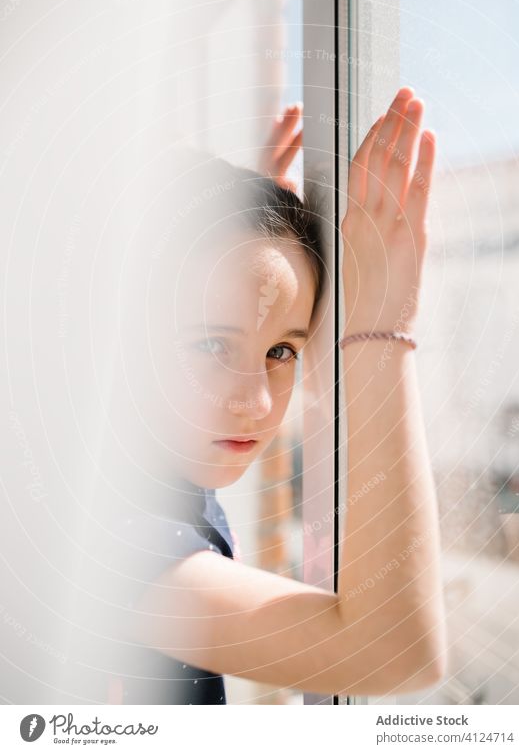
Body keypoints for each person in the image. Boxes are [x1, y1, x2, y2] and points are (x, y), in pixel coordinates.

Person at [107, 87, 447, 703]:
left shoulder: (144, 468)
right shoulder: (112, 537)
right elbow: (392, 650)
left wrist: (241, 240)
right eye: (210, 346)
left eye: (281, 351)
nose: (257, 405)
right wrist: (381, 328)